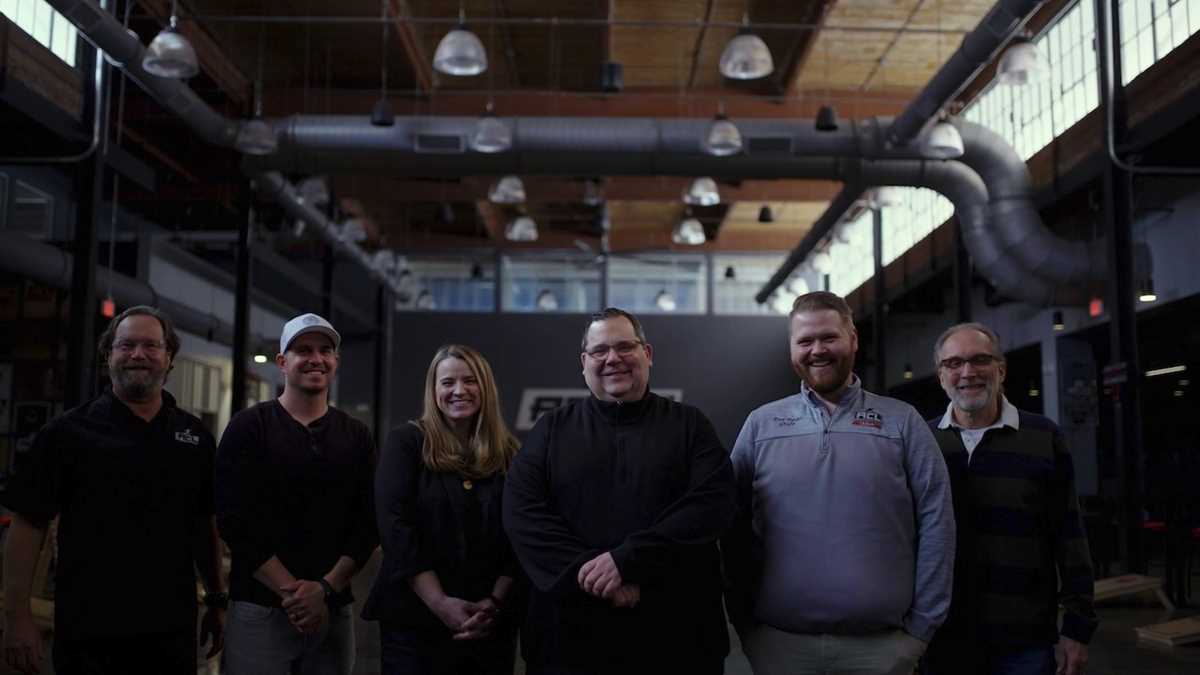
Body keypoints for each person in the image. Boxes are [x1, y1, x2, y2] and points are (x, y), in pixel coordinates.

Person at [723, 291, 954, 675]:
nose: (818, 350)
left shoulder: (902, 422)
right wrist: (744, 621)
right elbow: (729, 524)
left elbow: (938, 522)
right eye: (805, 341)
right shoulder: (761, 425)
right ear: (792, 348)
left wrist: (921, 630)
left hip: (882, 650)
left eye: (829, 337)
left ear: (853, 339)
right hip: (779, 647)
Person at [503, 307, 735, 675]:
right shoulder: (551, 430)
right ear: (584, 362)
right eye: (600, 350)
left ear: (648, 354)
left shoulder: (690, 425)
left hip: (677, 640)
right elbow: (523, 515)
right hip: (570, 642)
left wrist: (627, 561)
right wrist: (593, 574)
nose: (613, 358)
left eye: (625, 347)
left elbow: (711, 506)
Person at [1, 305, 225, 674]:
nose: (138, 354)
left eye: (151, 346)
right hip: (88, 632)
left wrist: (217, 600)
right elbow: (27, 525)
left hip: (170, 631)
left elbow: (204, 525)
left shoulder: (195, 438)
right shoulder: (67, 434)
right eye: (126, 345)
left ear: (169, 357)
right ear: (108, 356)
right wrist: (17, 616)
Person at [921, 323, 1097, 675]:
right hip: (943, 636)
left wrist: (1077, 626)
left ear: (1000, 369)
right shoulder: (923, 441)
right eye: (954, 363)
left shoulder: (1044, 437)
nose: (967, 372)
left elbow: (1069, 535)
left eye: (980, 360)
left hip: (1025, 639)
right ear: (941, 376)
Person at [215, 313, 377, 675]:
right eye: (303, 350)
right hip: (260, 609)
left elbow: (367, 523)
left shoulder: (356, 436)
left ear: (335, 361)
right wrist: (293, 592)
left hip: (332, 611)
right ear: (282, 362)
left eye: (325, 350)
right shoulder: (249, 427)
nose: (316, 358)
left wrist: (324, 589)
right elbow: (233, 519)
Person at [363, 344, 521, 674]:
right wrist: (439, 603)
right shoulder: (406, 443)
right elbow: (396, 529)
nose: (459, 390)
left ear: (485, 387)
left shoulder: (509, 453)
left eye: (470, 380)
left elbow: (519, 534)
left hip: (488, 623)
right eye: (448, 382)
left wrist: (494, 603)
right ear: (433, 391)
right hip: (415, 624)